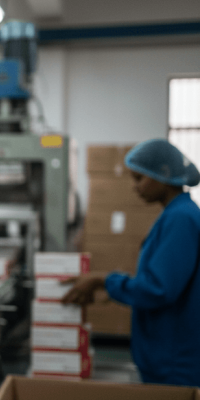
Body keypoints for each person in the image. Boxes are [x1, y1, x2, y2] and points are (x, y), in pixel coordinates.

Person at [62, 139, 200, 387]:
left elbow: (158, 288)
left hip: (174, 361)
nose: (134, 187)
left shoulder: (181, 218)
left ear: (163, 176)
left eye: (139, 178)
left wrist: (102, 280)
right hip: (166, 354)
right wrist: (112, 291)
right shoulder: (174, 214)